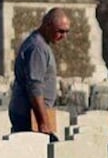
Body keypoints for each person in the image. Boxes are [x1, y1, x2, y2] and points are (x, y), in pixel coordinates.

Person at [8, 7, 70, 138]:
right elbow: (34, 87)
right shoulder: (37, 48)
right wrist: (43, 122)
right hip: (30, 115)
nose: (64, 36)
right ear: (47, 26)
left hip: (34, 113)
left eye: (66, 32)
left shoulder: (40, 44)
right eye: (60, 31)